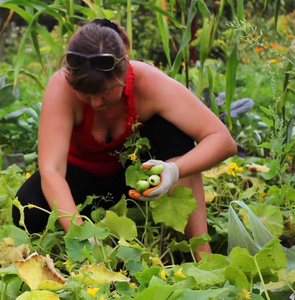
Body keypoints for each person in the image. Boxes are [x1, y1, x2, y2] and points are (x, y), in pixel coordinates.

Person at [13, 19, 237, 261]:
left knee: (174, 131)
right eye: (86, 94)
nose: (96, 103)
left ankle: (201, 254)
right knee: (28, 207)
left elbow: (222, 140)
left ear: (125, 68)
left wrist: (174, 170)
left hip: (137, 181)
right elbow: (52, 170)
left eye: (106, 91)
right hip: (82, 183)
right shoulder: (62, 86)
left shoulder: (148, 82)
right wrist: (80, 233)